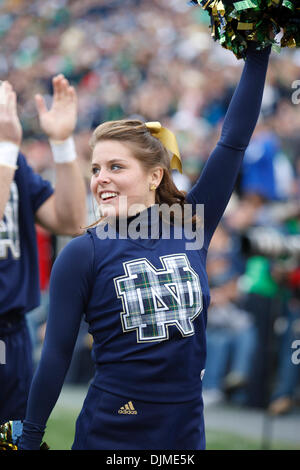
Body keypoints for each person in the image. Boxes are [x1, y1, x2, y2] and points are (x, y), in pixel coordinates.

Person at [19, 43, 271, 450]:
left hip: (186, 432)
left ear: (155, 177)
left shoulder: (192, 226)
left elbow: (234, 141)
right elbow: (54, 358)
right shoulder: (83, 253)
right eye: (96, 169)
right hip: (112, 431)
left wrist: (257, 51)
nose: (101, 178)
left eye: (116, 167)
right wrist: (29, 439)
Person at [0, 75, 86, 426]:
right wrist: (6, 149)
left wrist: (62, 143)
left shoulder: (11, 158)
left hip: (12, 332)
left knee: (14, 439)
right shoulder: (7, 154)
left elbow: (71, 220)